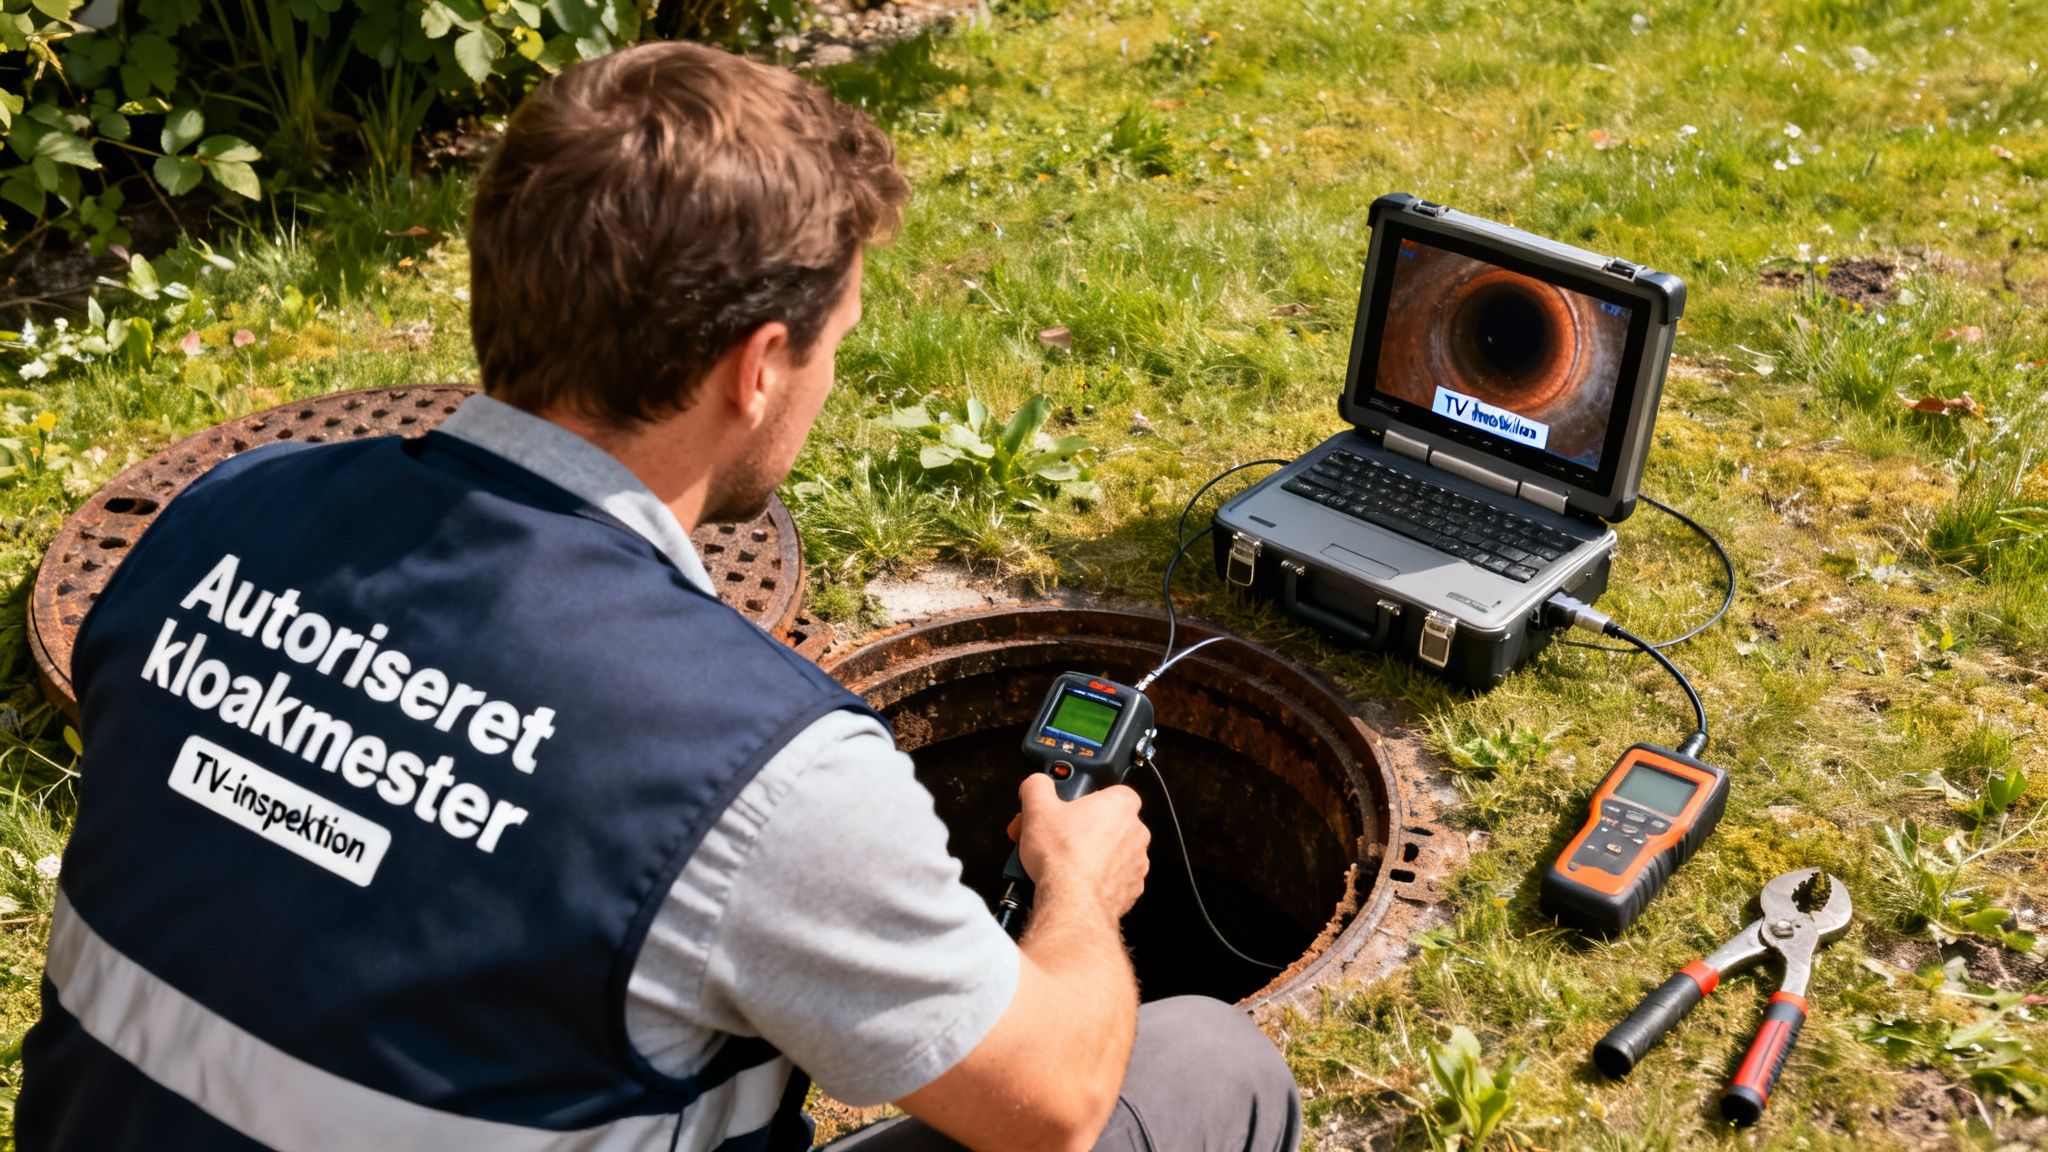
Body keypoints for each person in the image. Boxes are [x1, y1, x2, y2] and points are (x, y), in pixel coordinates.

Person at [15, 40, 1302, 1152]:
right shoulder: (753, 773)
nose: (826, 382)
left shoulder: (218, 523)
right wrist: (1078, 887)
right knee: (1203, 1066)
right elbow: (1054, 1105)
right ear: (756, 368)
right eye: (832, 345)